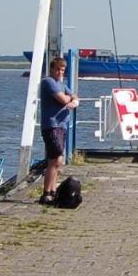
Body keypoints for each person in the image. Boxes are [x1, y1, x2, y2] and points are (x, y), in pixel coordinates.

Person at [39, 56, 78, 205]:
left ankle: (52, 190)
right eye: (57, 69)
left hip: (61, 125)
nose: (60, 72)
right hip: (52, 124)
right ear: (51, 69)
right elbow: (63, 99)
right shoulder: (48, 82)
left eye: (62, 70)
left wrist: (73, 99)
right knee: (56, 159)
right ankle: (46, 193)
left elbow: (74, 96)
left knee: (55, 160)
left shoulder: (61, 84)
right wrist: (70, 99)